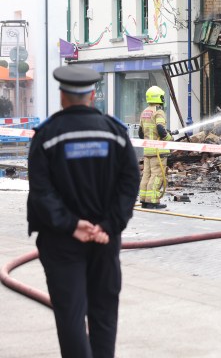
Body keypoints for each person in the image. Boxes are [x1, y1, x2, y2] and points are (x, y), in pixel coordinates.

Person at [27, 65, 140, 358]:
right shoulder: (115, 134)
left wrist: (71, 225)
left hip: (61, 242)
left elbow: (42, 192)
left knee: (70, 316)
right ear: (92, 96)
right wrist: (108, 225)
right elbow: (129, 183)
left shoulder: (47, 136)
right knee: (104, 312)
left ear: (63, 97)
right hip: (105, 240)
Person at [138, 85, 171, 209]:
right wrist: (170, 138)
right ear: (159, 97)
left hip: (147, 150)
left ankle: (144, 200)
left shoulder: (145, 112)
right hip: (158, 151)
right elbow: (161, 130)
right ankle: (153, 201)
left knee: (146, 174)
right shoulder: (159, 111)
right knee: (157, 175)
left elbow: (140, 133)